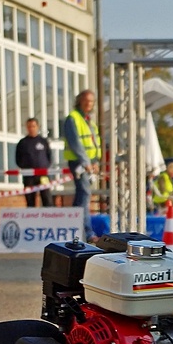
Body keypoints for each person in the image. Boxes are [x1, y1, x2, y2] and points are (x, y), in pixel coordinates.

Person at [62, 89, 100, 242]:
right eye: (86, 100)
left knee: (81, 196)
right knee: (84, 195)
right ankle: (88, 233)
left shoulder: (88, 120)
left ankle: (75, 228)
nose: (88, 104)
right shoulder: (73, 118)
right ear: (79, 101)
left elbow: (94, 142)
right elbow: (75, 143)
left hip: (88, 164)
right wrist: (86, 162)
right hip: (80, 163)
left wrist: (95, 161)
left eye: (91, 101)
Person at [15, 117, 53, 207]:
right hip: (29, 176)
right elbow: (18, 159)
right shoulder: (22, 143)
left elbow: (49, 156)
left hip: (43, 175)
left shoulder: (43, 142)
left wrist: (45, 167)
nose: (31, 128)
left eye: (33, 126)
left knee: (47, 198)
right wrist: (25, 167)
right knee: (30, 200)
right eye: (29, 126)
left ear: (37, 127)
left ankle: (49, 218)